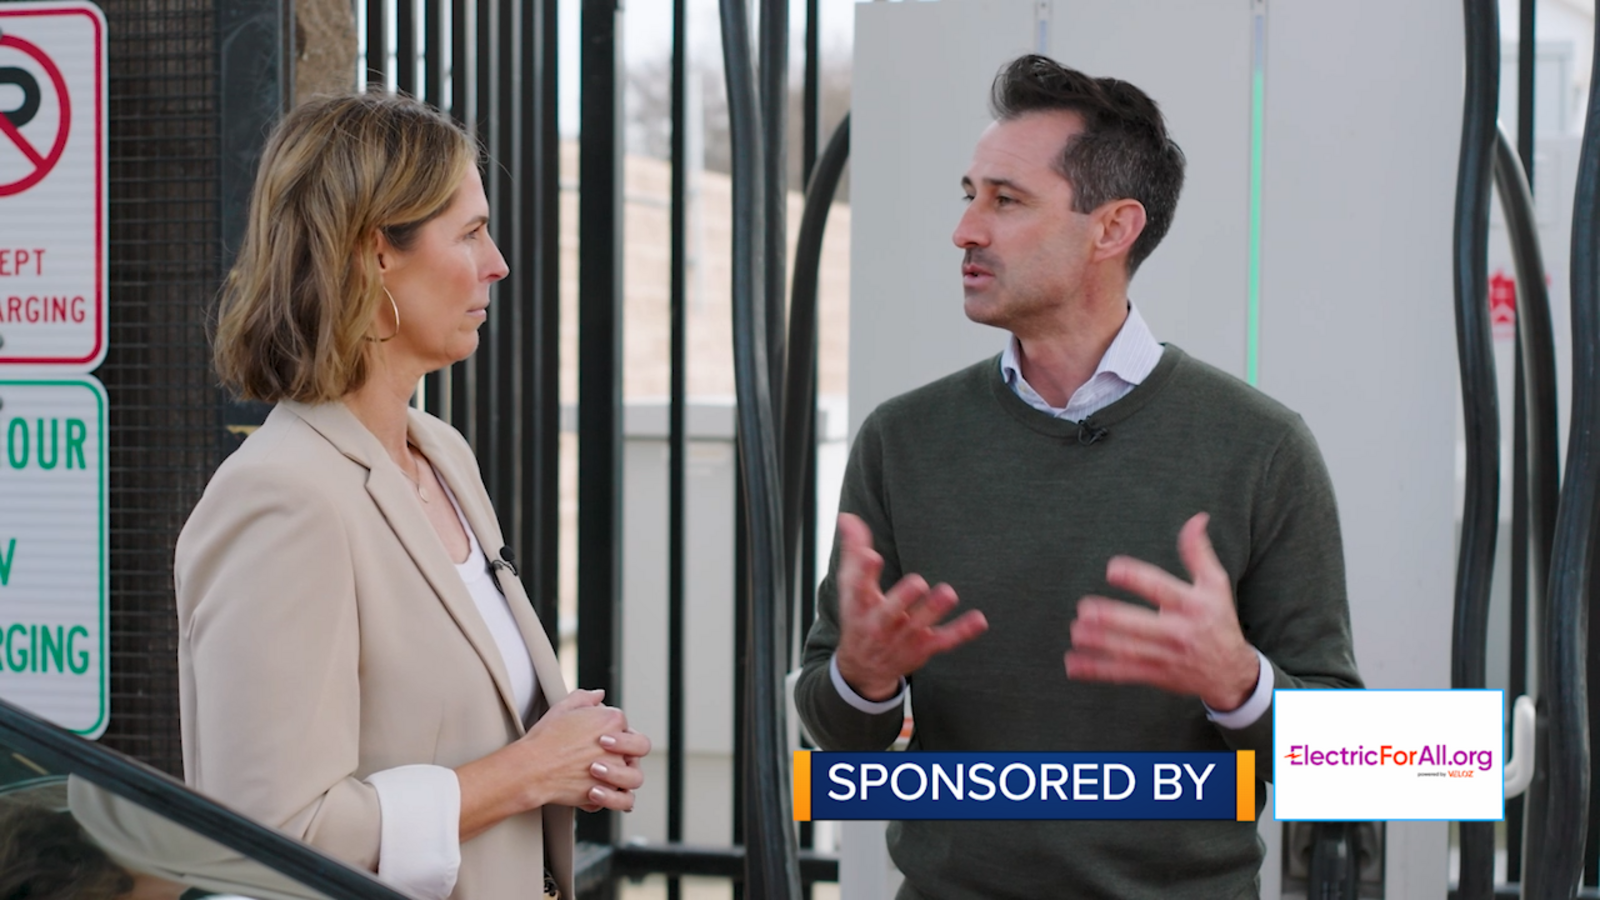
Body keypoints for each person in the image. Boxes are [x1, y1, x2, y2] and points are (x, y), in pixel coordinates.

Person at [795, 55, 1362, 899]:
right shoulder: (901, 441)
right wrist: (863, 681)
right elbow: (836, 738)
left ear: (1113, 228)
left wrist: (1241, 685)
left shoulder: (1261, 447)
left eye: (1006, 200)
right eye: (969, 194)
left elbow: (1350, 763)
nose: (965, 230)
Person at [174, 93, 649, 900]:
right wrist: (526, 772)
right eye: (469, 233)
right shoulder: (284, 498)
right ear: (375, 254)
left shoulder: (441, 454)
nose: (497, 263)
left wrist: (574, 755)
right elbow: (268, 839)